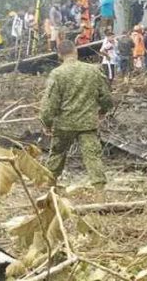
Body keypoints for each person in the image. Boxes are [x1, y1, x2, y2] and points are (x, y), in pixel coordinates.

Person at [40, 40, 112, 187]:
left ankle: (49, 188)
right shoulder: (93, 70)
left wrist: (46, 123)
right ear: (76, 51)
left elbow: (50, 104)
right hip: (87, 123)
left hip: (64, 124)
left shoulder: (57, 74)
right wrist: (103, 111)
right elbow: (106, 97)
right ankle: (99, 191)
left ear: (59, 55)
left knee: (57, 155)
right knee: (93, 157)